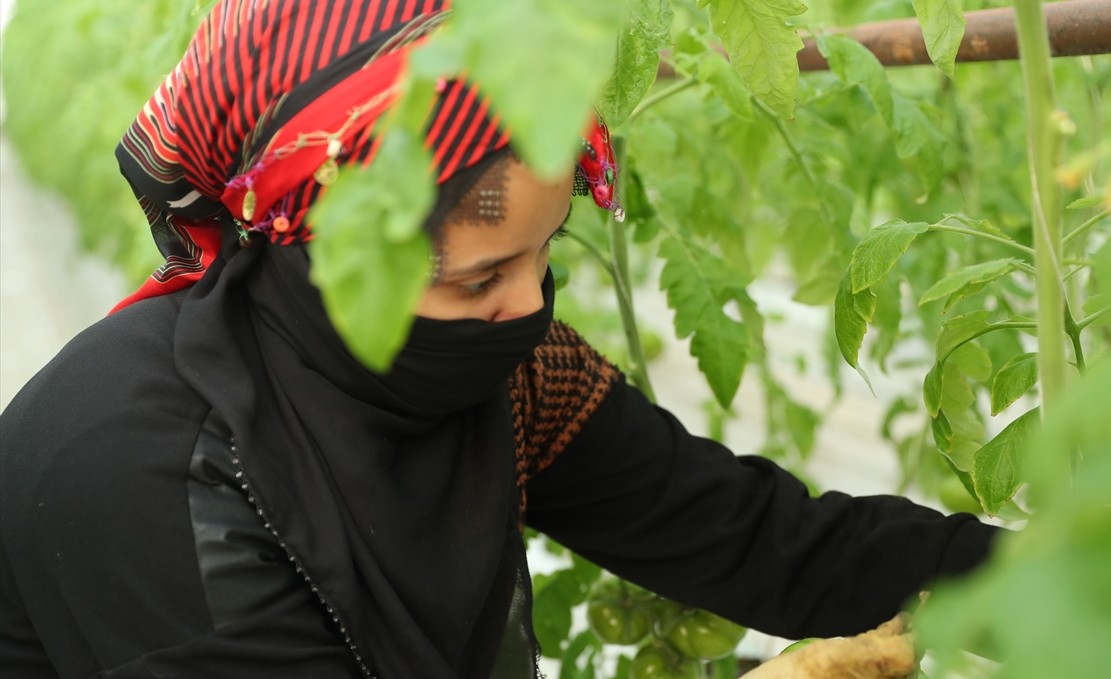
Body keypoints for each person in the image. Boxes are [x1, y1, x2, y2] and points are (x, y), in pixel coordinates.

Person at [0, 1, 1001, 677]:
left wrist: (1042, 575)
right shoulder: (143, 474)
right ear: (324, 244)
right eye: (479, 277)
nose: (527, 307)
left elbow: (747, 534)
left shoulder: (498, 375)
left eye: (545, 247)